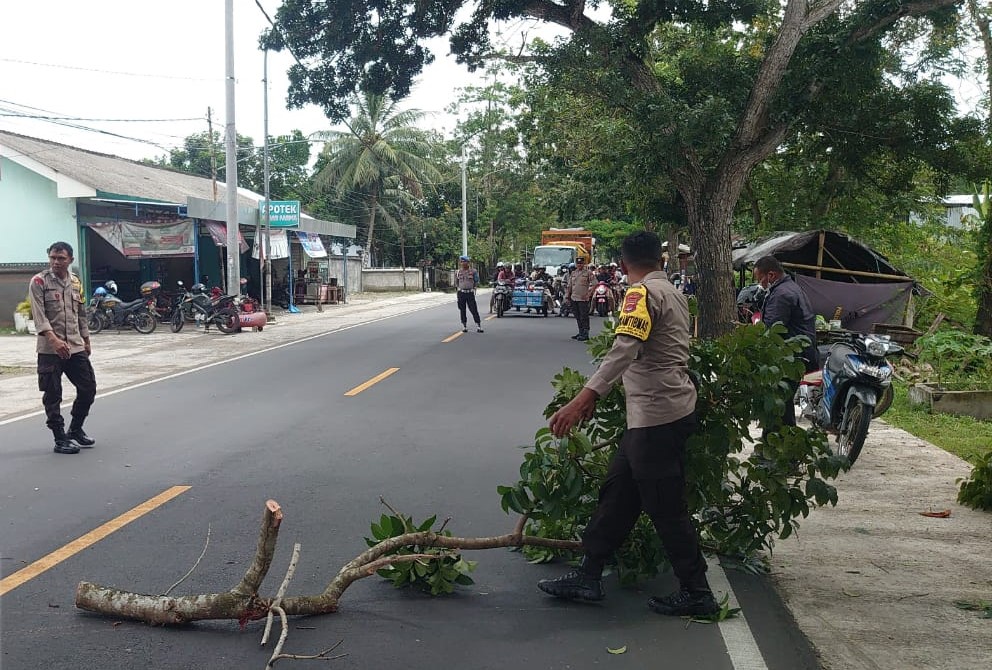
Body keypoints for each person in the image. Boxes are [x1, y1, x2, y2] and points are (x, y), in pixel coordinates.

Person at [537, 230, 718, 617]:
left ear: (623, 263)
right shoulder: (674, 293)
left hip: (657, 414)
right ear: (661, 260)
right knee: (618, 492)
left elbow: (625, 348)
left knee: (665, 507)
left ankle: (697, 591)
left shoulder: (641, 294)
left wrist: (585, 397)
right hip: (658, 413)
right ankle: (589, 573)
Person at [28, 241, 98, 455]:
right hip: (50, 350)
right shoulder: (39, 281)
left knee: (88, 388)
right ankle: (60, 438)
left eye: (61, 258)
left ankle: (75, 430)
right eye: (53, 258)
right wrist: (54, 340)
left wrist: (86, 340)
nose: (56, 262)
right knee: (53, 394)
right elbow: (39, 316)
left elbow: (81, 314)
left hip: (75, 346)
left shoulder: (76, 282)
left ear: (70, 260)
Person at [752, 255, 818, 429]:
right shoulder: (790, 288)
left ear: (771, 275)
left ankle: (778, 447)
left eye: (760, 279)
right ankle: (781, 446)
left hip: (791, 357)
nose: (760, 284)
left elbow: (773, 330)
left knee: (777, 403)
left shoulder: (782, 294)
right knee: (783, 403)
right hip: (796, 354)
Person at [565, 256, 596, 340]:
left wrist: (589, 294)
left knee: (584, 316)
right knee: (577, 316)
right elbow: (569, 286)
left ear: (584, 264)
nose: (579, 265)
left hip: (583, 298)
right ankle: (580, 332)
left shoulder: (588, 273)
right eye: (578, 263)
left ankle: (585, 333)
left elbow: (594, 284)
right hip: (574, 297)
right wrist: (567, 296)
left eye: (581, 263)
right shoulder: (573, 273)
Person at [455, 255, 484, 333]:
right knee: (462, 309)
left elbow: (476, 280)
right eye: (462, 261)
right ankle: (464, 326)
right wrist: (458, 290)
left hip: (470, 293)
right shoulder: (458, 272)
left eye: (465, 261)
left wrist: (474, 288)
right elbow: (456, 282)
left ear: (468, 262)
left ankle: (478, 325)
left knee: (473, 309)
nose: (463, 263)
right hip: (461, 293)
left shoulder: (473, 271)